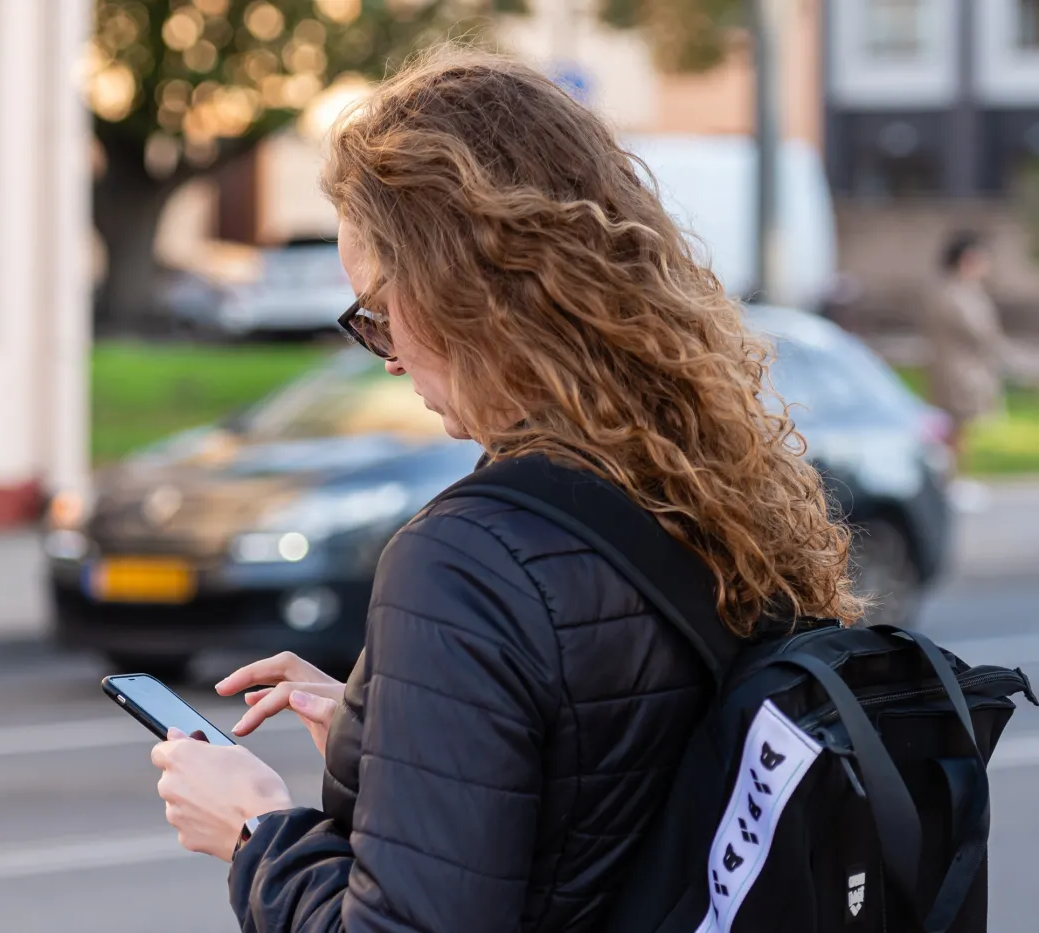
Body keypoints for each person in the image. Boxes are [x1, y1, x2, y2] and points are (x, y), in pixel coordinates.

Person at [148, 48, 863, 932]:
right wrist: (391, 735)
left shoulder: (465, 561)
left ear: (464, 290)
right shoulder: (710, 482)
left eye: (377, 305)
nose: (385, 347)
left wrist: (255, 827)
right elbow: (625, 796)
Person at [925, 231, 1011, 489]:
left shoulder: (963, 291)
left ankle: (953, 479)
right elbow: (982, 333)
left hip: (965, 370)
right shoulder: (954, 294)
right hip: (958, 373)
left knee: (959, 429)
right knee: (954, 429)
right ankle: (949, 481)